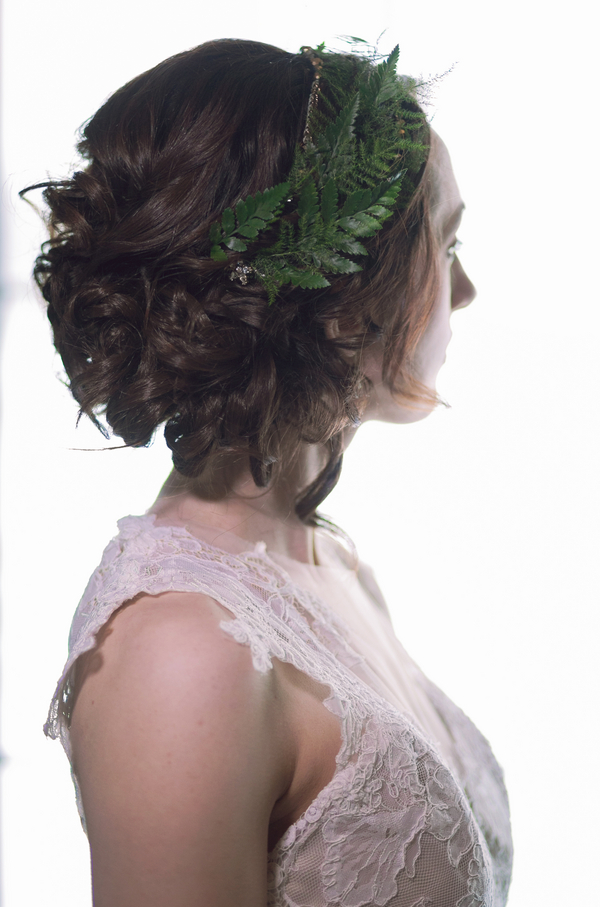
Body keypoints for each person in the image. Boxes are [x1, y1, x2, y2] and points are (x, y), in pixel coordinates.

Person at [28, 39, 512, 906]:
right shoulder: (182, 650)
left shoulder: (324, 560)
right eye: (449, 240)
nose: (466, 288)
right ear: (338, 295)